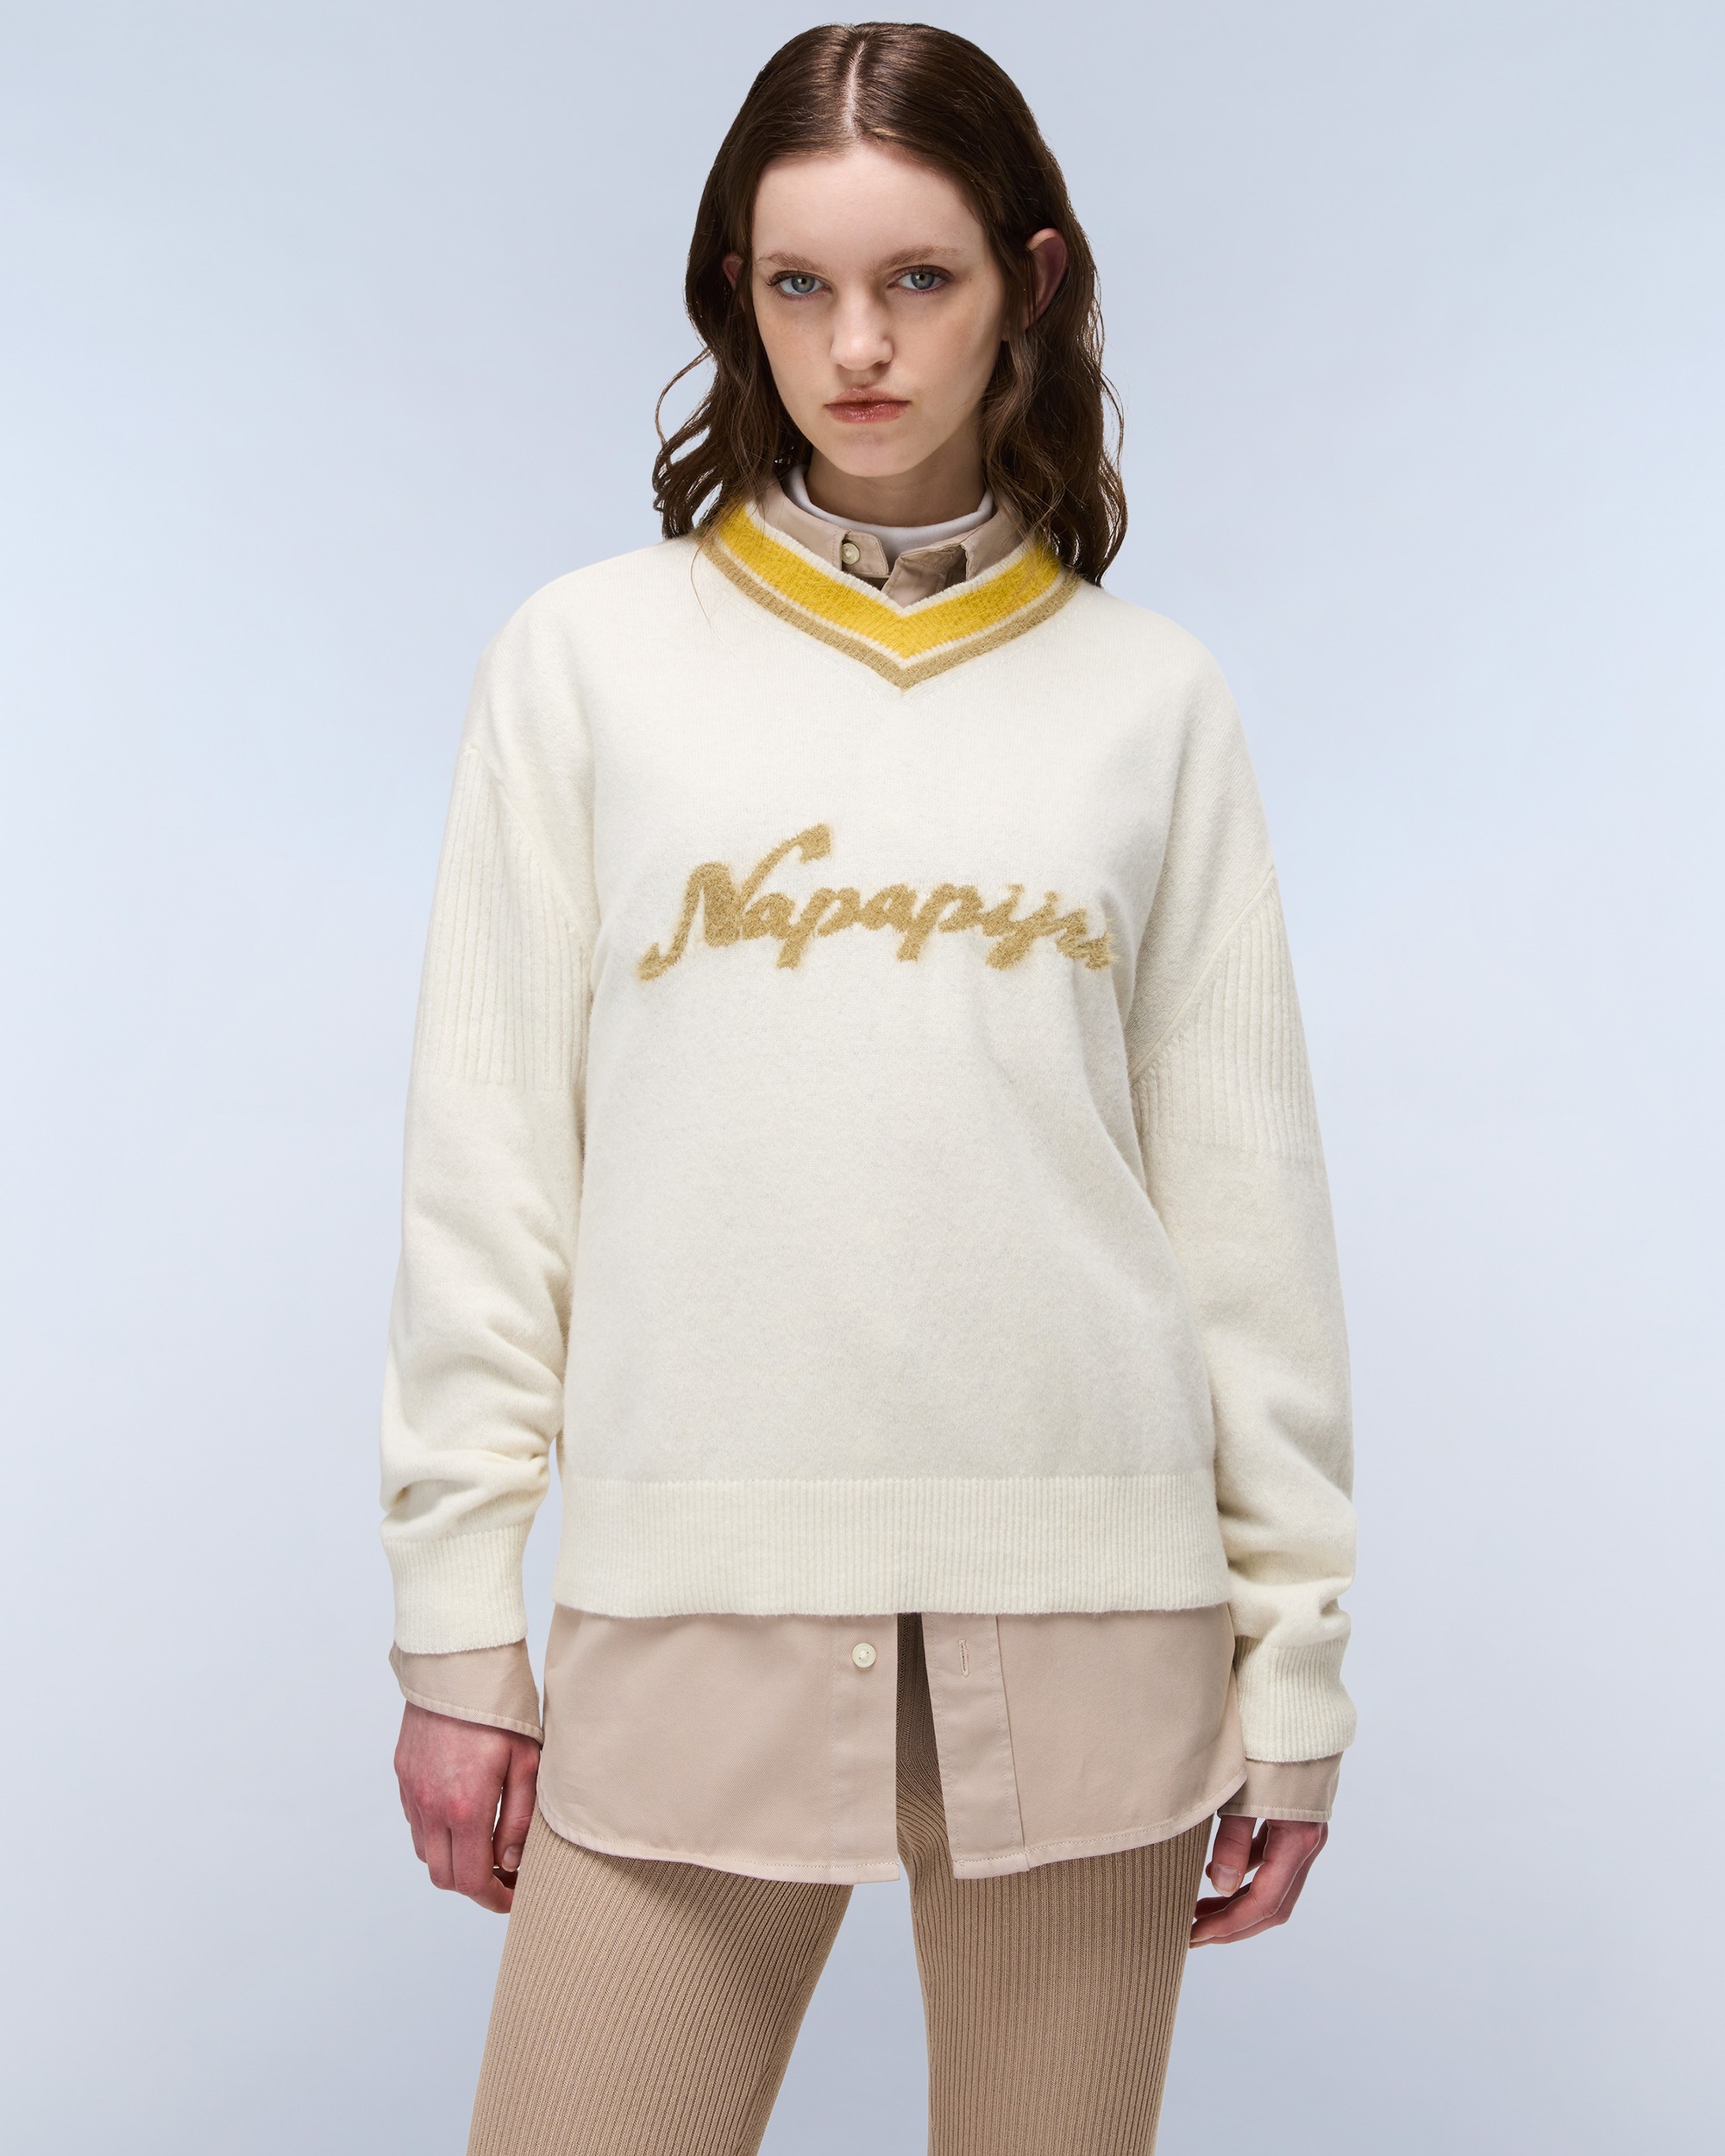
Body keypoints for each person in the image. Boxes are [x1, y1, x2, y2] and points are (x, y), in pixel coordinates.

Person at [381, 22, 1356, 2154]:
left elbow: (1243, 1210)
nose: (856, 346)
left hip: (1104, 1623)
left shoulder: (1152, 701)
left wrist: (1294, 1663)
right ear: (735, 292)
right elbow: (490, 1175)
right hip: (692, 1608)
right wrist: (456, 1628)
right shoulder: (582, 662)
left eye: (917, 277)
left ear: (1030, 281)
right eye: (797, 283)